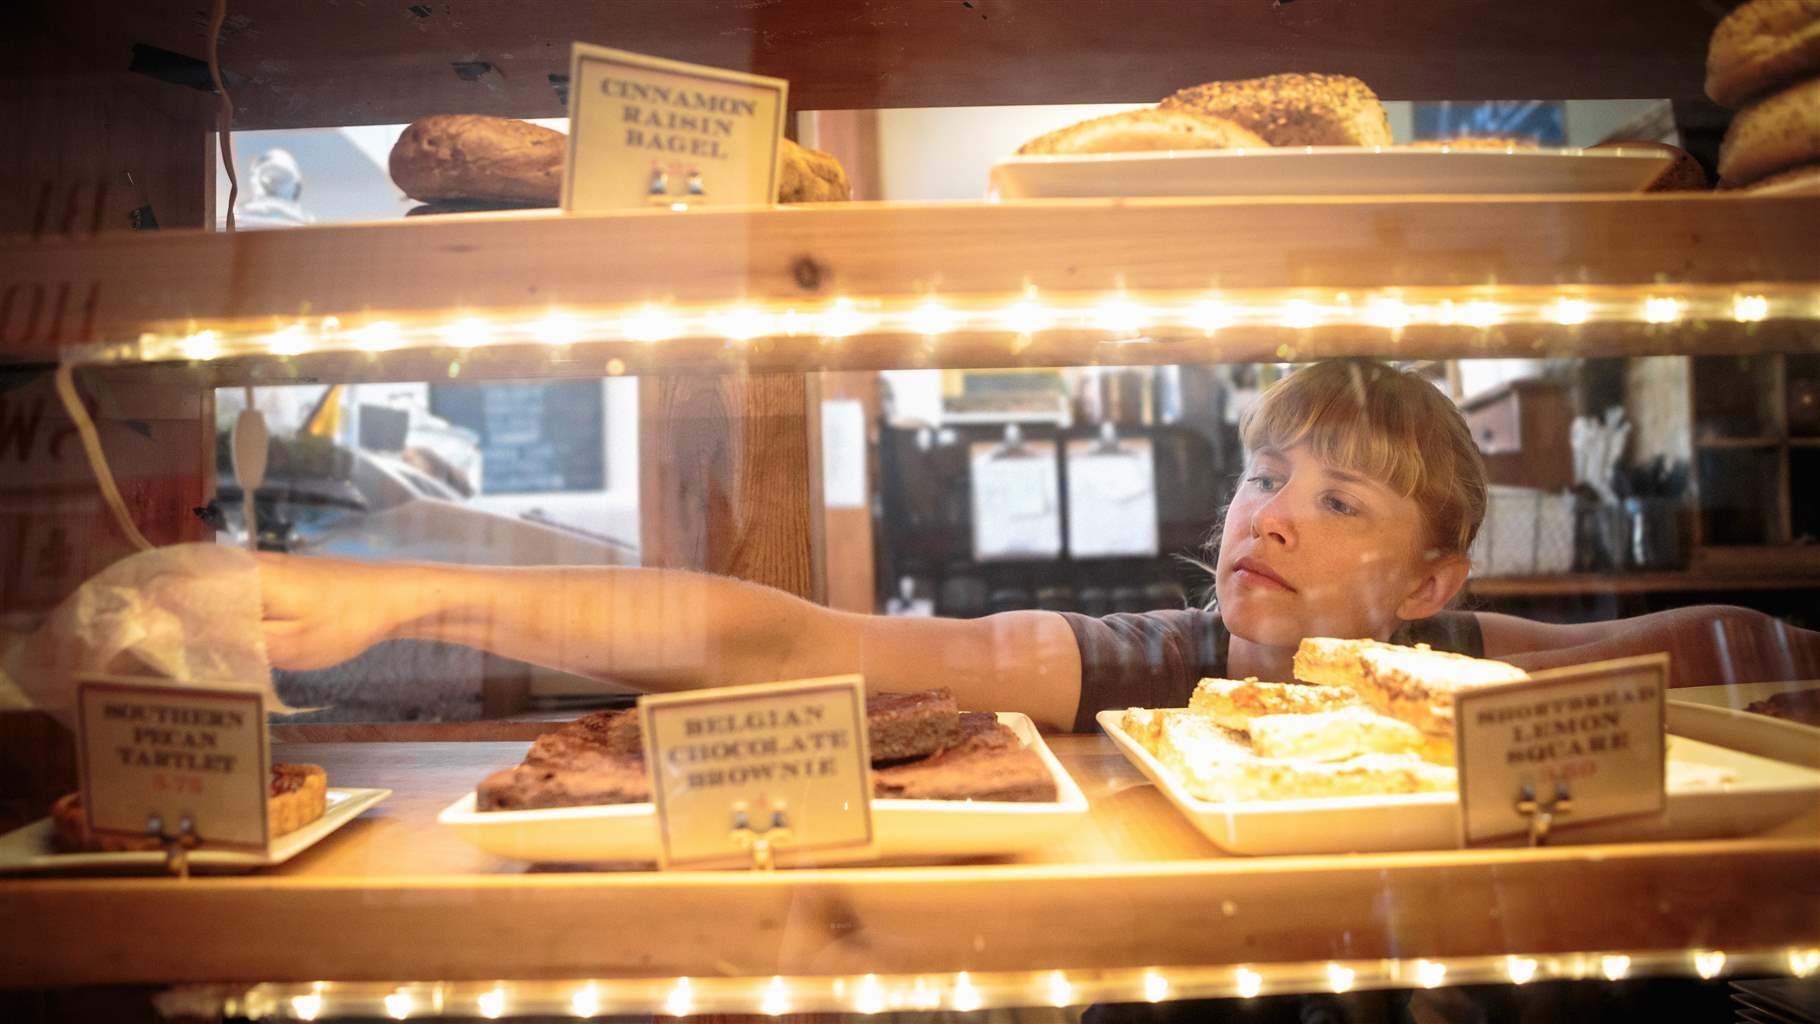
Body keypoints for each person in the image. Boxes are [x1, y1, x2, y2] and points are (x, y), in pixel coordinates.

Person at [257, 360, 1820, 731]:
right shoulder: (1164, 661)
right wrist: (418, 589)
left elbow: (1714, 651)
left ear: (1431, 584)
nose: (1264, 513)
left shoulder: (1466, 663)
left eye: (1337, 502)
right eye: (1264, 476)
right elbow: (793, 644)